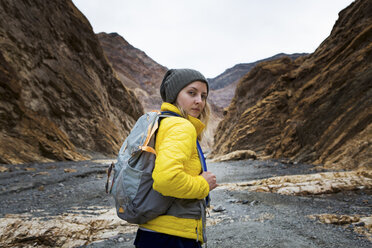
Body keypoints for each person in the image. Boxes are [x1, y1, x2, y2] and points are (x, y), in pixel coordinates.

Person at [134, 68, 218, 248]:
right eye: (191, 93)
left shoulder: (163, 122)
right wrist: (204, 184)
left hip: (154, 232)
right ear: (174, 95)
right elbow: (166, 180)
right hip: (172, 237)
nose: (199, 101)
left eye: (203, 96)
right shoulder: (181, 126)